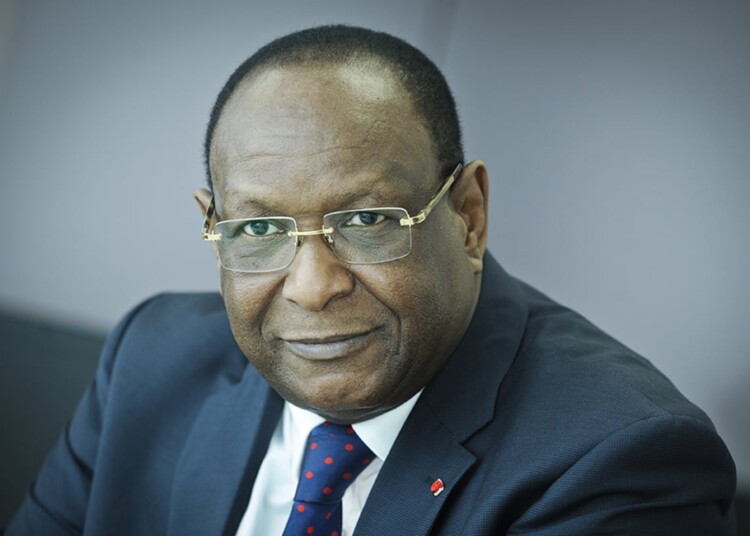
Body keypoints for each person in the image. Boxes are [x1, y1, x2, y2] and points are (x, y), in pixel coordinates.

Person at [7, 25, 737, 535]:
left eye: (366, 220)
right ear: (214, 223)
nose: (311, 287)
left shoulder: (617, 463)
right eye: (259, 230)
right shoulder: (150, 360)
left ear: (468, 216)